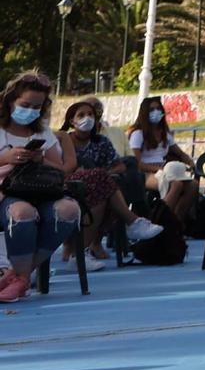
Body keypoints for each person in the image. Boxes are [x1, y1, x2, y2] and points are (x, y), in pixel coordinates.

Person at [0, 72, 81, 301]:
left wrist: (39, 159)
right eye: (25, 105)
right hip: (7, 192)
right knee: (22, 212)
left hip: (40, 190)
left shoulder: (42, 131)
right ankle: (22, 278)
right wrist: (7, 159)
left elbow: (61, 170)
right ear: (10, 100)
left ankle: (18, 277)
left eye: (37, 106)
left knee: (69, 210)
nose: (31, 110)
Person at [60, 98, 163, 268]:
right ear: (72, 121)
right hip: (71, 187)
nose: (88, 118)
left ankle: (81, 254)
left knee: (110, 184)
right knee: (107, 186)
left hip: (98, 188)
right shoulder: (65, 141)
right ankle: (133, 221)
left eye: (91, 114)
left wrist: (103, 174)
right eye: (82, 115)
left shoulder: (101, 141)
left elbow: (120, 165)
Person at [127, 94, 198, 227]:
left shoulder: (164, 133)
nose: (156, 112)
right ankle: (159, 222)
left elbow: (180, 153)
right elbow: (136, 162)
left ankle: (176, 222)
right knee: (176, 184)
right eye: (152, 110)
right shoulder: (138, 134)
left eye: (158, 109)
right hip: (145, 173)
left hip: (167, 169)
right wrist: (159, 169)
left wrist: (189, 161)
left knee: (193, 185)